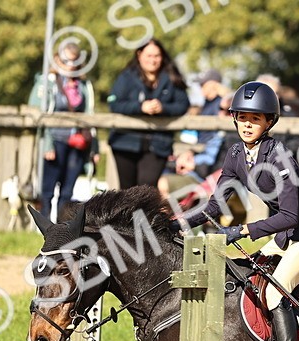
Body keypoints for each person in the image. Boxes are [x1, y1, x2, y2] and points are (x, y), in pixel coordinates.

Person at [177, 82, 299, 341]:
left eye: (255, 118)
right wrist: (176, 224)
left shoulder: (280, 157)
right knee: (247, 281)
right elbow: (213, 207)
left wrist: (242, 231)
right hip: (284, 233)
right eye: (242, 118)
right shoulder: (237, 153)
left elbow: (291, 216)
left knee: (276, 292)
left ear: (269, 122)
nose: (247, 125)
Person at [28, 43, 98, 221]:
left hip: (77, 144)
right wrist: (47, 145)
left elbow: (91, 117)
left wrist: (93, 148)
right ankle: (44, 225)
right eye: (66, 60)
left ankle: (62, 227)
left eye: (74, 60)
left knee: (67, 191)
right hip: (54, 141)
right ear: (57, 59)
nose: (70, 64)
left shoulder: (83, 85)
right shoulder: (47, 82)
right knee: (47, 190)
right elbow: (37, 114)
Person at [107, 39, 189, 189]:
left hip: (158, 143)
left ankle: (144, 213)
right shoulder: (127, 77)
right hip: (125, 141)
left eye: (157, 56)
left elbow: (183, 105)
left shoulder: (171, 77)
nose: (153, 60)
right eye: (149, 55)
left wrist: (163, 108)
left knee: (146, 187)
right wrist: (140, 107)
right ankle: (126, 214)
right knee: (126, 191)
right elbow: (114, 104)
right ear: (139, 55)